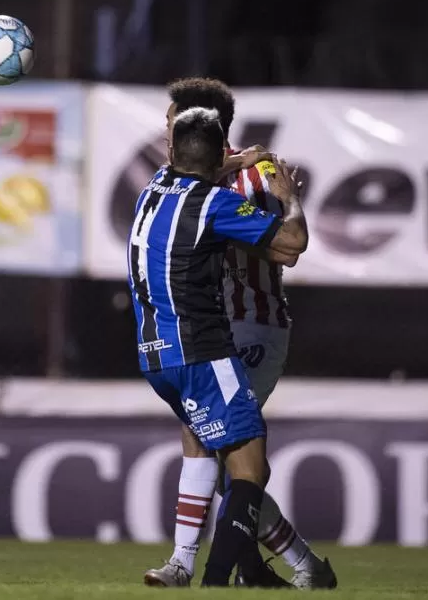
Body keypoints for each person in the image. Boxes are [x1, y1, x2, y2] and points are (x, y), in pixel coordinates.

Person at [142, 78, 337, 589]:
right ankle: (293, 566)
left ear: (198, 123)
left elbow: (286, 248)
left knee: (215, 447)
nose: (167, 130)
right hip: (207, 334)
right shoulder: (188, 175)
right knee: (227, 456)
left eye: (172, 120)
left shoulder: (256, 177)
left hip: (253, 325)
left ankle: (191, 564)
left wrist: (252, 204)